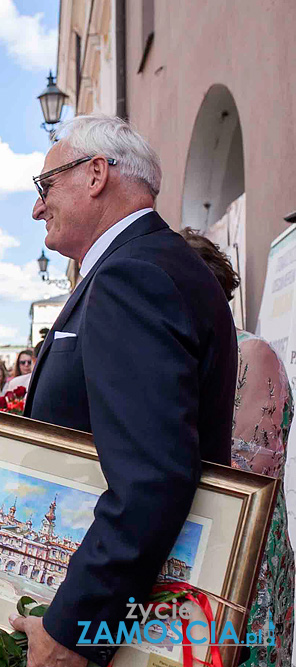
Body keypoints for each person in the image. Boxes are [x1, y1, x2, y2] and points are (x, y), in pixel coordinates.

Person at [5, 114, 237, 667]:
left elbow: (151, 477)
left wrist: (72, 631)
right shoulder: (150, 262)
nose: (38, 207)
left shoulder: (131, 275)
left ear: (95, 174)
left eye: (46, 186)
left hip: (120, 620)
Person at [180, 229, 294, 667]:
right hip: (202, 557)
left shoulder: (251, 352)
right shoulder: (193, 355)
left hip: (248, 564)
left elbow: (246, 473)